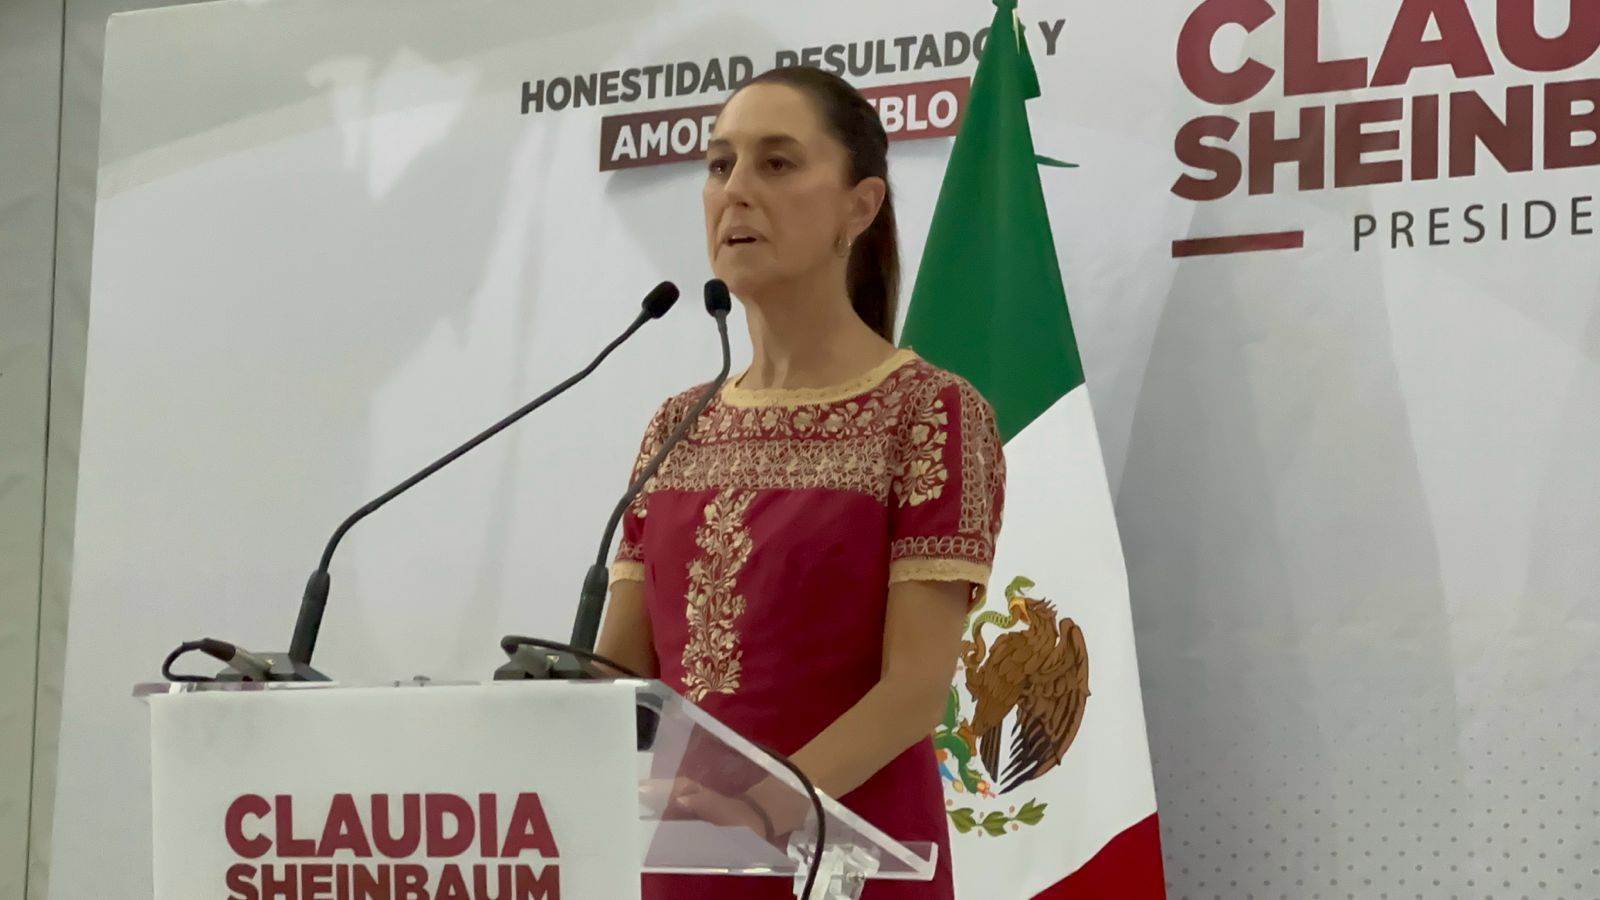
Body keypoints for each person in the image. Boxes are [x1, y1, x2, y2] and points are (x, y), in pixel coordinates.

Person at [596, 65, 1006, 900]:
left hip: (839, 856)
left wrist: (756, 811)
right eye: (720, 165)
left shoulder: (929, 412)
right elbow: (621, 675)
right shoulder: (680, 421)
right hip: (687, 862)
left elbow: (912, 695)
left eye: (777, 164)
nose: (736, 190)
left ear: (860, 206)